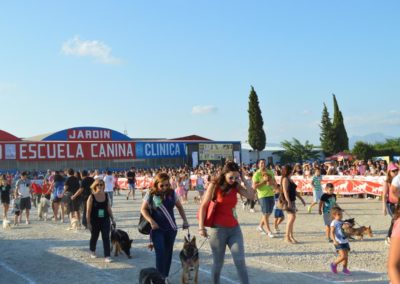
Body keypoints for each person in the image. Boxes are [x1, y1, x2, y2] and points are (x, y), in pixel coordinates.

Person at [198, 161, 255, 284]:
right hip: (218, 230)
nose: (233, 179)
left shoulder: (236, 185)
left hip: (234, 229)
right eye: (231, 177)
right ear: (224, 174)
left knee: (240, 261)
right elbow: (203, 206)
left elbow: (251, 196)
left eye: (236, 177)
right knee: (218, 263)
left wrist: (244, 180)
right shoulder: (214, 185)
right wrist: (201, 228)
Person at [140, 172, 189, 281]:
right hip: (157, 229)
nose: (164, 187)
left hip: (171, 229)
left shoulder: (172, 193)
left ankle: (164, 276)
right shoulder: (150, 194)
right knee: (160, 253)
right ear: (156, 184)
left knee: (168, 253)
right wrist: (151, 221)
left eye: (167, 185)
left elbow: (180, 207)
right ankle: (159, 279)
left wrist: (185, 220)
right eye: (162, 185)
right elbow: (143, 209)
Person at [86, 179, 115, 263]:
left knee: (106, 237)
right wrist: (88, 223)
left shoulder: (106, 195)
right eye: (97, 185)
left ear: (103, 186)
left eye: (101, 184)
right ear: (94, 186)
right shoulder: (91, 197)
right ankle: (92, 250)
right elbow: (88, 211)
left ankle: (107, 255)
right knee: (94, 236)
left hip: (105, 219)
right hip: (94, 220)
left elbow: (108, 208)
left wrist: (113, 219)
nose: (99, 186)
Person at [280, 164, 306, 243]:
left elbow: (294, 191)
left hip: (292, 200)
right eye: (291, 170)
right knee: (291, 218)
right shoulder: (285, 179)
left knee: (291, 218)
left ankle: (291, 236)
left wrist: (301, 199)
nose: (292, 171)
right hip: (288, 201)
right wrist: (288, 202)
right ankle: (287, 236)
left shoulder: (289, 179)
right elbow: (285, 191)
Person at [253, 159, 277, 238]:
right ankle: (269, 231)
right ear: (258, 165)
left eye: (264, 163)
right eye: (261, 163)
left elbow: (275, 183)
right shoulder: (256, 174)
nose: (263, 164)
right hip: (262, 195)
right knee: (266, 213)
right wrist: (263, 181)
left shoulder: (270, 172)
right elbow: (254, 186)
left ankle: (260, 226)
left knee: (269, 213)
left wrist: (272, 183)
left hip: (271, 194)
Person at [330, 206, 351, 275]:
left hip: (345, 241)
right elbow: (332, 232)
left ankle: (344, 268)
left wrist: (349, 225)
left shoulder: (343, 222)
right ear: (334, 215)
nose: (341, 216)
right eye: (338, 214)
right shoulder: (334, 223)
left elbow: (347, 227)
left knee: (346, 257)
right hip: (339, 242)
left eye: (341, 214)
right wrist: (334, 240)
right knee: (343, 256)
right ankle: (334, 264)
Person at [383, 163, 399, 245]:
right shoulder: (387, 182)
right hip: (391, 204)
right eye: (393, 171)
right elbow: (384, 195)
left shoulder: (398, 180)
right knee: (395, 220)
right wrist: (384, 208)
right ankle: (388, 237)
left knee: (396, 220)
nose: (396, 172)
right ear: (389, 172)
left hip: (397, 203)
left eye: (397, 170)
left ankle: (390, 237)